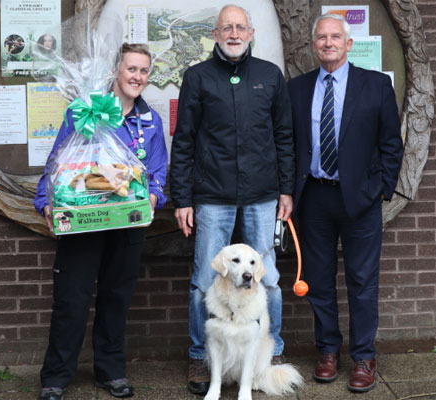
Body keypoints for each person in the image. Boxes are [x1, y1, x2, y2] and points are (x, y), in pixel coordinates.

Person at [169, 4, 295, 395]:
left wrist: (286, 189)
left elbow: (285, 138)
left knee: (268, 280)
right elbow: (185, 140)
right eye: (227, 28)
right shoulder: (197, 77)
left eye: (241, 27)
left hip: (262, 196)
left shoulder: (270, 77)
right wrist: (182, 198)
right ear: (215, 34)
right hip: (212, 196)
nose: (234, 33)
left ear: (251, 33)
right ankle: (199, 356)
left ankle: (269, 354)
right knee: (204, 280)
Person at [34, 43, 168, 400]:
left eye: (143, 71)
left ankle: (110, 371)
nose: (137, 76)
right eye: (131, 69)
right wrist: (46, 200)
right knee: (71, 300)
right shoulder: (85, 111)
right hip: (83, 222)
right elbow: (59, 161)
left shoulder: (150, 121)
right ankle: (57, 377)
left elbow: (156, 172)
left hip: (126, 223)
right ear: (116, 72)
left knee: (116, 298)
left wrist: (153, 196)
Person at [286, 13, 404, 393]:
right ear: (314, 45)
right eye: (321, 37)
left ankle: (365, 356)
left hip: (360, 200)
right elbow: (288, 147)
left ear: (348, 44)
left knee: (362, 282)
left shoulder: (375, 86)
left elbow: (391, 144)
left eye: (335, 37)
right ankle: (328, 351)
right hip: (315, 197)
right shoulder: (297, 89)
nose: (328, 43)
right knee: (319, 280)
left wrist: (382, 188)